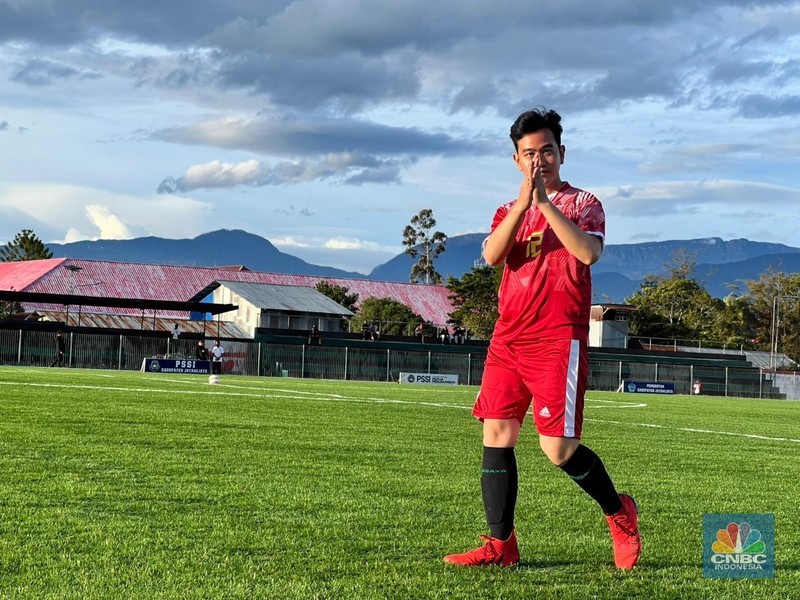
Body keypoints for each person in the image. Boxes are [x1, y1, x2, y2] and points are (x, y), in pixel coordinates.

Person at [444, 108, 640, 570]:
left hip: (558, 339)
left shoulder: (583, 203)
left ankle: (620, 513)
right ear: (516, 160)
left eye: (547, 150)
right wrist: (522, 204)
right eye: (529, 153)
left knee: (559, 450)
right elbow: (492, 255)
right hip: (509, 338)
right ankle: (500, 545)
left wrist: (546, 205)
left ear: (562, 153)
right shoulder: (505, 210)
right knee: (497, 433)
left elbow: (588, 252)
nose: (539, 161)